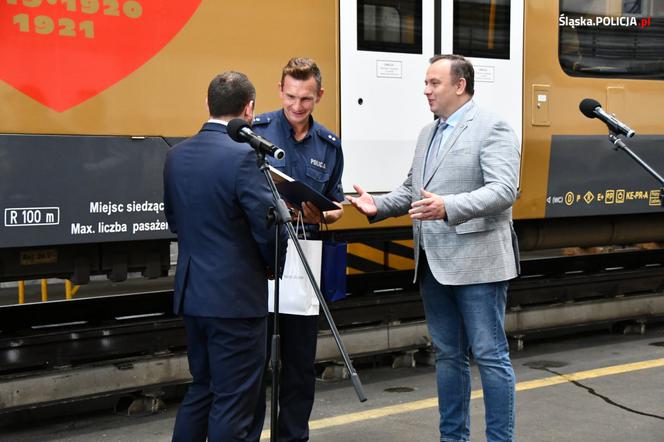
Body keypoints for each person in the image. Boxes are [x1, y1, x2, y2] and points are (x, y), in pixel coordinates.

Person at [347, 54, 520, 442]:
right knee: (448, 357)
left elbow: (505, 190)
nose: (426, 90)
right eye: (425, 83)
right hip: (434, 263)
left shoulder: (493, 127)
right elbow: (412, 189)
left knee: (491, 357)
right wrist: (378, 207)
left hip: (479, 264)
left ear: (460, 85)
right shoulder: (429, 132)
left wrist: (449, 207)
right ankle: (452, 438)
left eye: (433, 83)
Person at [163, 71, 287, 442]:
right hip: (235, 301)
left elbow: (174, 219)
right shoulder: (244, 158)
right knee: (234, 401)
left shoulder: (175, 155)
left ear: (207, 104)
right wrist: (271, 267)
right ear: (249, 109)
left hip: (193, 295)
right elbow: (267, 228)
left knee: (202, 389)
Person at [249, 57, 344, 442]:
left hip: (304, 262)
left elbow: (336, 204)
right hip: (260, 260)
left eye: (306, 98)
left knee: (300, 363)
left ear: (319, 95)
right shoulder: (256, 132)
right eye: (290, 96)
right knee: (255, 363)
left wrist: (323, 215)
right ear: (280, 90)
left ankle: (292, 437)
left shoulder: (329, 144)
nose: (297, 106)